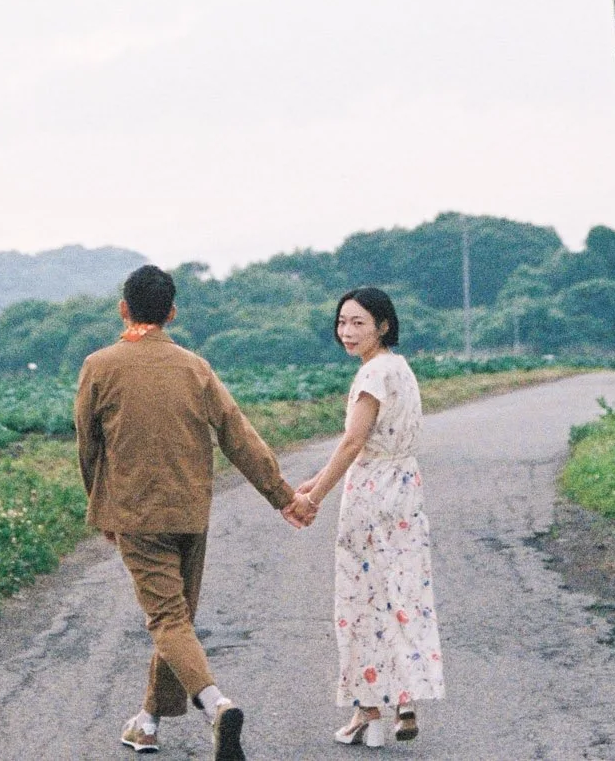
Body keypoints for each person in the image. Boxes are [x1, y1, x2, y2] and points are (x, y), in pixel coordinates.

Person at [76, 263, 315, 760]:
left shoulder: (99, 366)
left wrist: (102, 510)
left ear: (123, 309)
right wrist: (282, 495)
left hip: (137, 514)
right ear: (172, 313)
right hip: (190, 513)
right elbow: (237, 435)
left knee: (168, 619)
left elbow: (88, 447)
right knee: (177, 620)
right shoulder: (195, 367)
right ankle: (147, 723)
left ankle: (215, 705)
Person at [290, 286, 444, 747]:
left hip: (372, 493)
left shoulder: (372, 374)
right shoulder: (400, 368)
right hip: (404, 490)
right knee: (402, 592)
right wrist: (316, 478)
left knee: (362, 601)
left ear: (383, 325)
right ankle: (404, 700)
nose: (347, 331)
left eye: (358, 322)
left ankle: (368, 709)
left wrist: (315, 496)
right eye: (342, 322)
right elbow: (369, 441)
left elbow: (353, 442)